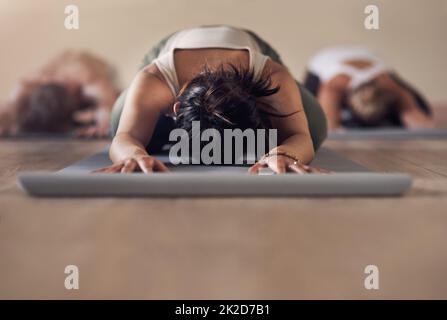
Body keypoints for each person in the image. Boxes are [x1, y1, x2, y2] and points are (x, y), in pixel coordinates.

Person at [99, 25, 328, 174]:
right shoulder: (155, 80)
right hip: (169, 49)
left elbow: (300, 136)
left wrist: (284, 154)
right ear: (175, 108)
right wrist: (134, 155)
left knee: (314, 127)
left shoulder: (271, 76)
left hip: (251, 47)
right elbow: (125, 136)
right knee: (121, 122)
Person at [303, 46, 435, 131]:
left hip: (370, 57)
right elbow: (329, 129)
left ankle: (366, 119)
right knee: (307, 114)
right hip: (324, 59)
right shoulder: (333, 87)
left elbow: (418, 120)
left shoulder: (389, 85)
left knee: (422, 108)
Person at [0, 50, 120, 137]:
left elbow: (106, 104)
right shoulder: (29, 83)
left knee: (120, 107)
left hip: (101, 75)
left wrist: (104, 124)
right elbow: (8, 106)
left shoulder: (87, 78)